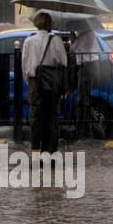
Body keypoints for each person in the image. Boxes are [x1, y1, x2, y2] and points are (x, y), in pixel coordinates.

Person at [22, 10, 67, 153]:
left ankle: (36, 153)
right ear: (47, 24)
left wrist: (30, 81)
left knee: (35, 119)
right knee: (52, 119)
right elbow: (63, 63)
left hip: (35, 83)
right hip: (52, 83)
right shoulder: (56, 40)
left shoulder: (29, 41)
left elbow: (25, 65)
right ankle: (50, 154)